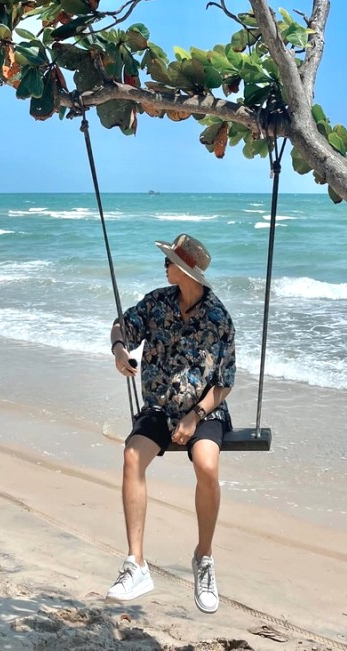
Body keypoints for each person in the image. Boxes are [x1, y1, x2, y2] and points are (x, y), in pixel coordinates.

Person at [106, 233, 236, 614]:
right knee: (132, 456)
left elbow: (225, 382)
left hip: (205, 410)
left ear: (185, 270)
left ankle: (204, 558)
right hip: (160, 408)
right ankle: (136, 564)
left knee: (207, 465)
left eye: (169, 261)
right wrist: (119, 351)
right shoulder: (156, 303)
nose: (163, 266)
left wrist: (195, 417)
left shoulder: (218, 318)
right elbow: (121, 327)